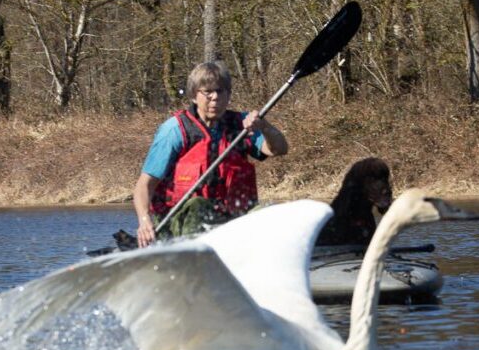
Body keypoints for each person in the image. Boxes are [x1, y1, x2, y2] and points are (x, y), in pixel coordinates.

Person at [134, 61, 288, 247]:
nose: (214, 98)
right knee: (199, 205)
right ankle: (191, 256)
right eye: (207, 92)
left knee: (269, 211)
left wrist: (264, 126)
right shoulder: (174, 130)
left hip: (230, 218)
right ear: (193, 95)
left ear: (228, 94)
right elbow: (144, 185)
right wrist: (144, 221)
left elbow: (279, 149)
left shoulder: (242, 125)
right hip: (177, 224)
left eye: (220, 91)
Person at [316, 157, 392, 247]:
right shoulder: (337, 219)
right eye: (373, 179)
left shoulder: (367, 219)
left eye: (383, 179)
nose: (383, 186)